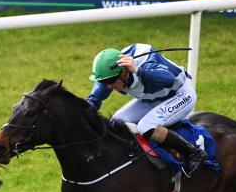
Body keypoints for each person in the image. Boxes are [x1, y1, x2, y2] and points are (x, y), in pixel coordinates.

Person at [87, 44, 207, 175]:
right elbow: (94, 100)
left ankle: (194, 152)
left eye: (111, 81)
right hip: (152, 98)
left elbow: (168, 79)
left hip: (180, 94)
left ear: (124, 72)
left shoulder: (144, 61)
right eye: (104, 82)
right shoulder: (109, 71)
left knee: (145, 126)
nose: (108, 86)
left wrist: (137, 70)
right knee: (117, 122)